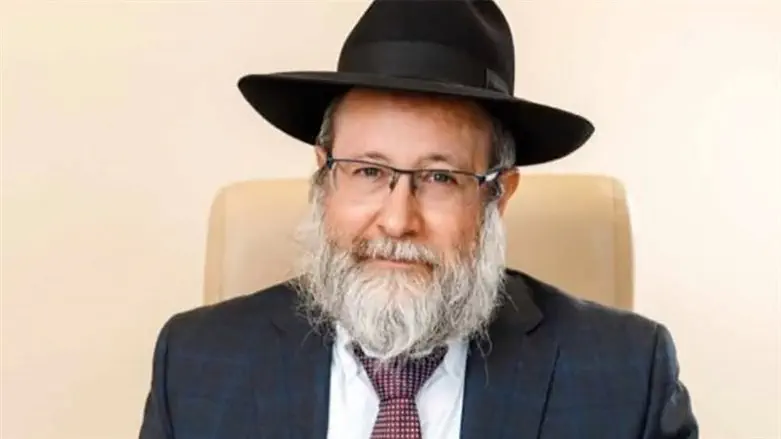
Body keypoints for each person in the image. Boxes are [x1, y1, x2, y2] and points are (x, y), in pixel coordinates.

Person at [139, 1, 698, 438]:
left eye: (439, 178)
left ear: (497, 195)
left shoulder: (627, 377)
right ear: (323, 176)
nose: (397, 220)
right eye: (367, 171)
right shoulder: (195, 364)